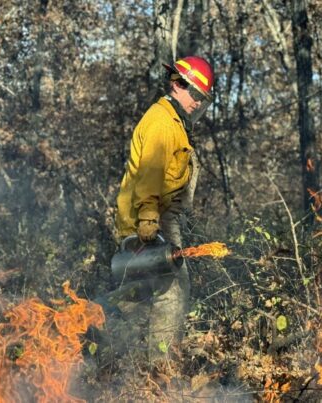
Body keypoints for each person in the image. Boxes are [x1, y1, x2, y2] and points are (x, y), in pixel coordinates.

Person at [113, 55, 214, 362]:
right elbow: (150, 173)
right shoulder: (161, 121)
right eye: (194, 94)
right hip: (152, 221)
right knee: (173, 291)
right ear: (176, 85)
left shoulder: (174, 122)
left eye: (201, 97)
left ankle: (115, 360)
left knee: (136, 298)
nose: (197, 102)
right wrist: (147, 218)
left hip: (158, 217)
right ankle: (161, 369)